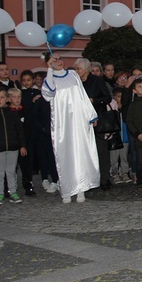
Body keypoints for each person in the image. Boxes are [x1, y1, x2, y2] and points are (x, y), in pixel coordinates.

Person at [41, 53, 100, 203]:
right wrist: (49, 70)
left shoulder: (73, 75)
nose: (58, 61)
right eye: (54, 59)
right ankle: (67, 189)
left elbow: (82, 95)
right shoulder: (50, 79)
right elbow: (48, 94)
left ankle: (81, 188)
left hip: (79, 120)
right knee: (64, 154)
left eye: (60, 58)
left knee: (80, 153)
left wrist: (90, 114)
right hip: (62, 122)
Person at [73, 58, 112, 190]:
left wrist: (93, 100)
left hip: (98, 121)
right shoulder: (75, 83)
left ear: (86, 69)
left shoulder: (97, 81)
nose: (77, 71)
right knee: (84, 152)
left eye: (79, 69)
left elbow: (107, 98)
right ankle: (88, 180)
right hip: (80, 122)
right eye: (76, 69)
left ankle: (105, 179)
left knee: (101, 151)